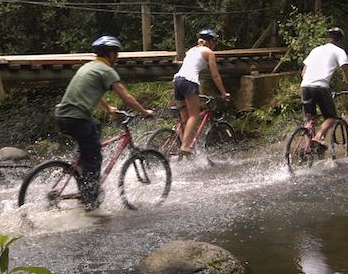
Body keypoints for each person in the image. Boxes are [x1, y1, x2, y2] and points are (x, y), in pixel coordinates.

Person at [54, 35, 153, 210]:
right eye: (116, 54)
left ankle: (79, 163)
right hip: (77, 118)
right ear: (111, 54)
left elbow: (93, 91)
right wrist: (144, 112)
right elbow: (127, 97)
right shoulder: (107, 70)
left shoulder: (89, 67)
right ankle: (90, 199)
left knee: (95, 126)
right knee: (94, 158)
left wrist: (108, 108)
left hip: (63, 116)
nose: (117, 57)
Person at [172, 28, 230, 156]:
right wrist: (223, 93)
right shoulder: (209, 52)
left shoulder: (192, 50)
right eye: (214, 42)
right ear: (210, 42)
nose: (214, 45)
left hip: (177, 81)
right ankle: (185, 146)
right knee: (194, 115)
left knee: (185, 119)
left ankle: (180, 140)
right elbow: (215, 76)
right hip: (189, 82)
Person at [300, 27, 348, 145]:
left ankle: (308, 148)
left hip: (305, 86)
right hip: (321, 87)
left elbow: (303, 72)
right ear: (340, 41)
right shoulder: (339, 51)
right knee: (331, 117)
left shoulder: (315, 50)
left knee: (310, 120)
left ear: (327, 39)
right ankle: (318, 137)